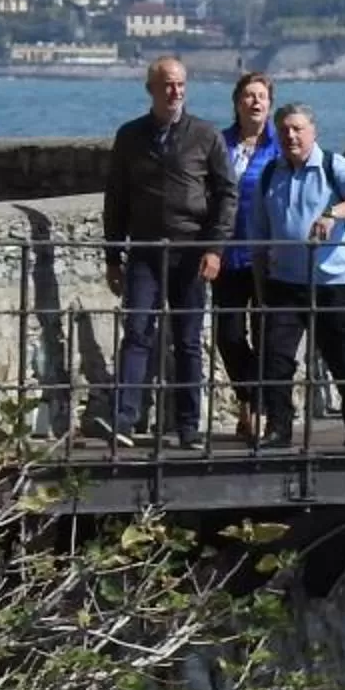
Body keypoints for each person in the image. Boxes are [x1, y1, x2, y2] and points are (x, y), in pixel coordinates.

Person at [98, 55, 235, 443]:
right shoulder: (131, 136)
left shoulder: (204, 135)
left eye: (180, 85)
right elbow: (116, 198)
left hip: (191, 249)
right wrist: (113, 255)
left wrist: (215, 248)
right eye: (167, 85)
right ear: (151, 90)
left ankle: (189, 425)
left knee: (188, 339)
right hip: (144, 250)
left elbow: (227, 193)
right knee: (137, 330)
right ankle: (124, 418)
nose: (175, 92)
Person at [242, 102, 345, 447]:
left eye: (298, 128)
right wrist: (261, 292)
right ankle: (279, 428)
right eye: (285, 129)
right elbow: (259, 239)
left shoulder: (335, 166)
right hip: (285, 283)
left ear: (312, 131)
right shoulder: (270, 175)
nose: (291, 135)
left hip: (334, 283)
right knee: (275, 358)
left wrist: (335, 212)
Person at [211, 70, 279, 442]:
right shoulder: (219, 143)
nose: (255, 102)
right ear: (237, 103)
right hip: (229, 254)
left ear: (270, 103)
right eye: (248, 96)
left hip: (268, 257)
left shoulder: (281, 144)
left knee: (266, 333)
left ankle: (259, 409)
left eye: (261, 96)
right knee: (230, 334)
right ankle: (250, 396)